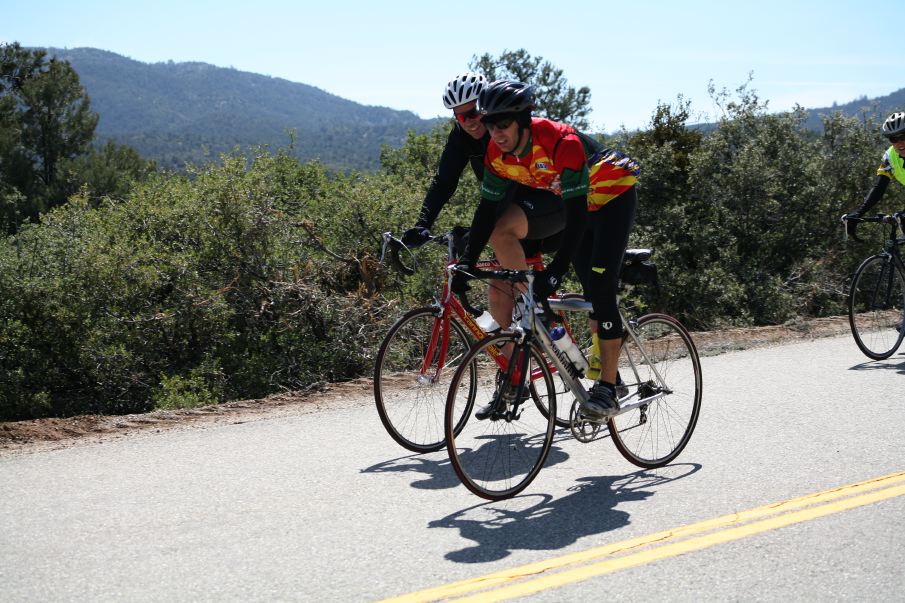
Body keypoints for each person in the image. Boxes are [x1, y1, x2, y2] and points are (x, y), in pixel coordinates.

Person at [453, 79, 639, 421]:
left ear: (523, 121)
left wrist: (554, 272)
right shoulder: (497, 153)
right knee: (583, 284)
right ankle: (593, 362)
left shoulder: (560, 142)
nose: (495, 132)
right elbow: (487, 211)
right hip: (577, 209)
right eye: (490, 124)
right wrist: (467, 261)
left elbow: (578, 216)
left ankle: (609, 389)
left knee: (599, 288)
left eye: (503, 124)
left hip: (612, 198)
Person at [403, 74, 564, 331]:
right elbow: (444, 182)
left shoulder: (503, 130)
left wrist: (477, 233)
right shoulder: (461, 137)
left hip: (544, 205)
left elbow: (509, 191)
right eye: (460, 117)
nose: (469, 122)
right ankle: (511, 370)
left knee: (499, 234)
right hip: (508, 214)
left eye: (474, 113)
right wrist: (423, 223)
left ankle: (537, 308)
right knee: (498, 293)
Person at [844, 111, 905, 235]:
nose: (899, 143)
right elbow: (879, 187)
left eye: (903, 137)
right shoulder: (890, 157)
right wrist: (859, 213)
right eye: (894, 139)